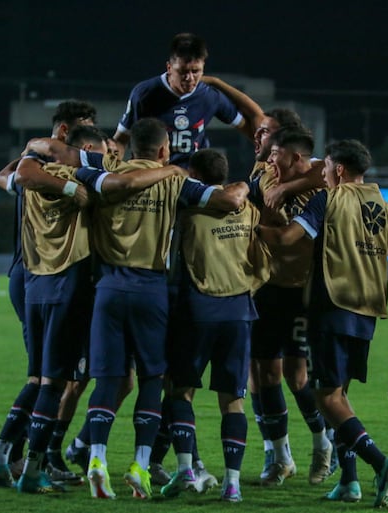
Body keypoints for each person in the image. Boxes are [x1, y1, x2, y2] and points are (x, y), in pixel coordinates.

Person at [65, 118, 249, 500]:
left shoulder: (104, 174)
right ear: (165, 149)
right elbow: (228, 201)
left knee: (108, 379)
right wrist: (246, 185)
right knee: (152, 379)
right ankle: (140, 464)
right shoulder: (175, 180)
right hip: (151, 288)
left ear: (132, 147)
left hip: (110, 286)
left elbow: (74, 170)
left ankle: (96, 457)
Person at [256, 139, 388, 507]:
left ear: (338, 170)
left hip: (332, 307)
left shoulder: (327, 200)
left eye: (325, 167)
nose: (323, 173)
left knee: (325, 396)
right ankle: (349, 480)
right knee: (339, 397)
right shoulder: (385, 207)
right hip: (368, 312)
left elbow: (287, 238)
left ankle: (381, 462)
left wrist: (252, 228)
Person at [0, 100, 97, 489]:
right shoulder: (57, 170)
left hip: (31, 278)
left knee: (40, 376)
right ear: (62, 133)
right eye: (83, 132)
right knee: (55, 379)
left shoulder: (29, 169)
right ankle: (35, 463)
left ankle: (5, 455)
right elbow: (17, 173)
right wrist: (70, 185)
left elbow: (5, 176)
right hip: (52, 277)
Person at [159, 149, 269, 502]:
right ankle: (232, 483)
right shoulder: (248, 210)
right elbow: (262, 263)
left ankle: (187, 470)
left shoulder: (188, 211)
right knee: (232, 401)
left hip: (198, 311)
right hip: (239, 312)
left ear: (193, 175)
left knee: (180, 391)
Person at [247, 126, 334, 486]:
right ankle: (281, 457)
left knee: (298, 376)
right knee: (265, 374)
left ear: (297, 156)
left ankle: (322, 444)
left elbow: (324, 168)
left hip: (304, 293)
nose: (269, 160)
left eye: (275, 153)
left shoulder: (325, 185)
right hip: (268, 289)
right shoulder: (265, 177)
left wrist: (287, 188)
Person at [113, 33, 262, 167]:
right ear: (169, 67)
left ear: (203, 67)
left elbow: (248, 126)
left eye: (195, 71)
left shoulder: (209, 96)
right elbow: (121, 139)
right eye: (183, 71)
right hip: (155, 176)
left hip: (194, 177)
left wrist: (264, 153)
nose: (189, 78)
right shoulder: (145, 93)